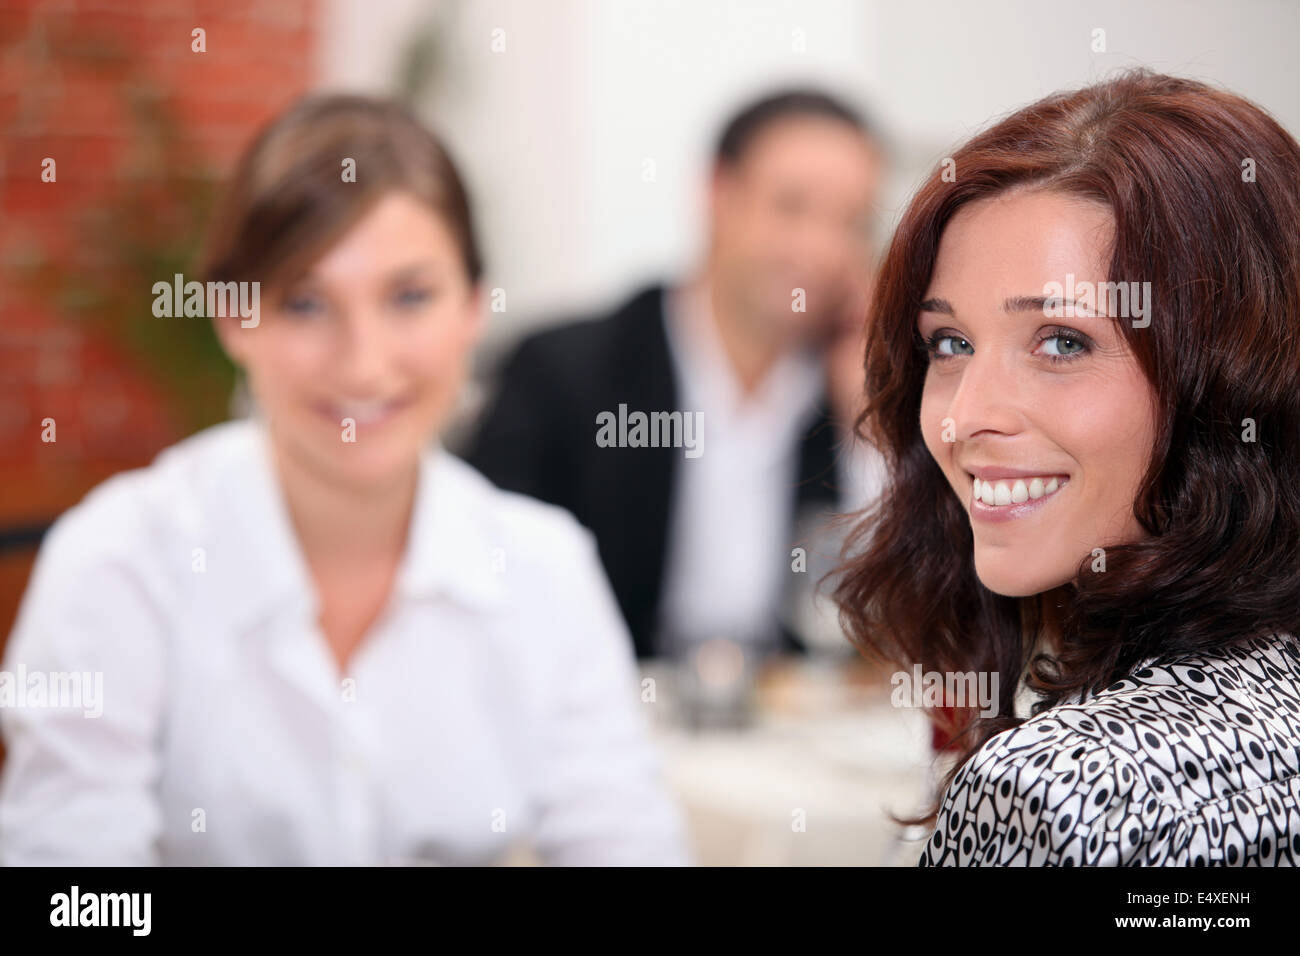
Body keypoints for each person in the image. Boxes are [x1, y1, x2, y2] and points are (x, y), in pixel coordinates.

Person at [0, 95, 690, 866]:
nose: (364, 362)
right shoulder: (119, 563)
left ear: (472, 308)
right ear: (235, 321)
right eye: (305, 303)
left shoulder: (546, 569)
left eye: (409, 297)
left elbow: (627, 845)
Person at [835, 69, 1300, 866]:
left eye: (1061, 342)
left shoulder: (1057, 791)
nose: (964, 414)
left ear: (1230, 378)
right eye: (951, 344)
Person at [466, 89, 886, 660]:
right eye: (792, 206)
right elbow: (483, 583)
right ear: (718, 194)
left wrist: (870, 432)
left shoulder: (847, 386)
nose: (822, 248)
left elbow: (885, 619)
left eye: (853, 223)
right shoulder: (566, 375)